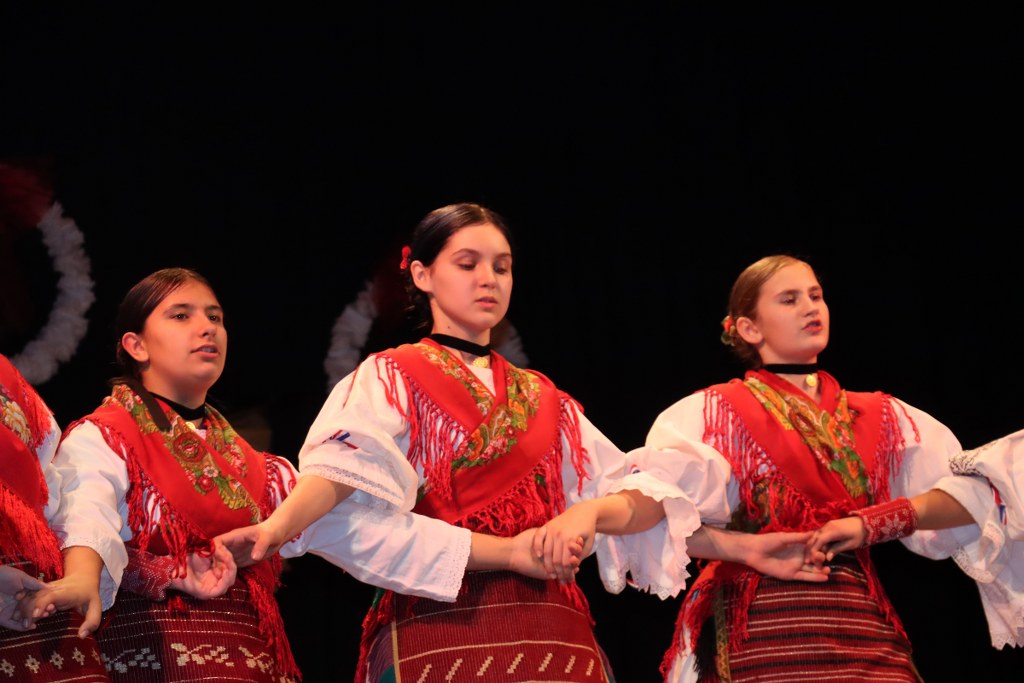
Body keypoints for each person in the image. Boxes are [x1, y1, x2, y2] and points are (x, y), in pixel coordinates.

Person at [216, 204, 835, 683]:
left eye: (502, 266)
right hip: (441, 627)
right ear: (423, 275)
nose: (488, 278)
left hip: (556, 635)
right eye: (468, 263)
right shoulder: (392, 375)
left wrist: (742, 547)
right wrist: (274, 530)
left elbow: (640, 497)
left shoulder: (545, 399)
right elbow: (338, 477)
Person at [21, 267, 549, 683]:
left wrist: (512, 553)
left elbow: (376, 533)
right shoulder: (103, 437)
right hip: (147, 663)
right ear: (136, 345)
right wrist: (85, 577)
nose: (207, 327)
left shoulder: (264, 474)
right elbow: (86, 516)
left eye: (215, 317)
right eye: (181, 315)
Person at [538, 254, 1023, 683]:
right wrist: (742, 546)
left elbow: (977, 495)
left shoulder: (882, 416)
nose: (811, 307)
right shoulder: (714, 414)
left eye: (816, 295)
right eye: (789, 299)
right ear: (749, 328)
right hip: (758, 624)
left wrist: (869, 524)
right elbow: (660, 513)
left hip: (857, 620)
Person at [0, 352, 111, 681]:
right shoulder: (105, 432)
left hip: (35, 597)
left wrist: (79, 575)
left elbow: (56, 493)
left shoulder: (7, 377)